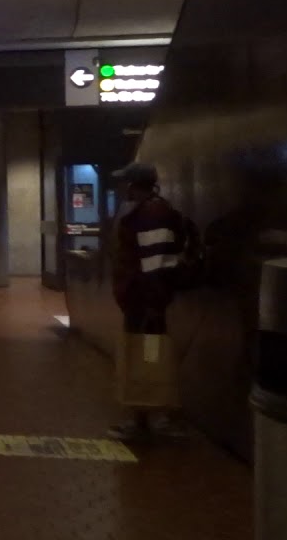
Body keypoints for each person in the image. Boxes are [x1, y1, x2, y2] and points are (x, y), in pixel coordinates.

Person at [107, 162, 188, 442]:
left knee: (149, 357)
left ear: (133, 184)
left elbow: (155, 264)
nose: (122, 188)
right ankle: (146, 417)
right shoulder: (149, 211)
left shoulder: (152, 214)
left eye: (125, 183)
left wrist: (153, 305)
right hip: (141, 303)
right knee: (143, 356)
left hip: (146, 306)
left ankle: (151, 419)